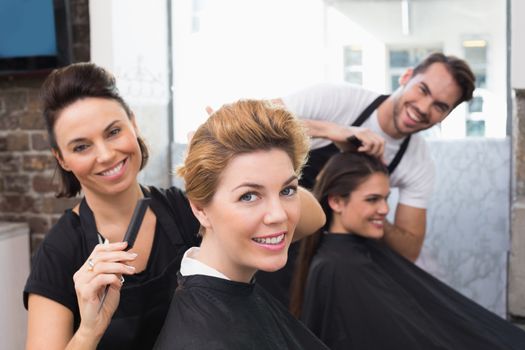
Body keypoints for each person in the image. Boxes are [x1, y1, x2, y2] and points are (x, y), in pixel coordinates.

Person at [23, 63, 325, 350]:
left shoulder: (182, 209)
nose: (105, 154)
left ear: (133, 123)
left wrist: (236, 161)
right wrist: (89, 331)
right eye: (81, 146)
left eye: (114, 131)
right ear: (61, 158)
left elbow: (310, 220)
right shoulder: (59, 254)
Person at [256, 52, 476, 307]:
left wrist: (371, 208)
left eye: (440, 106)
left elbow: (408, 249)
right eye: (423, 90)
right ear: (406, 77)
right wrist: (333, 130)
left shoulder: (417, 163)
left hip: (318, 253)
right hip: (268, 224)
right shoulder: (336, 99)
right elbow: (249, 120)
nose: (424, 108)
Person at [290, 151, 525, 350]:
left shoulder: (355, 255)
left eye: (386, 198)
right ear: (337, 202)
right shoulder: (337, 268)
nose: (384, 209)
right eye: (372, 199)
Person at [154, 100, 329, 349]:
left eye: (287, 190)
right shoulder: (202, 338)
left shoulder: (231, 284)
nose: (278, 215)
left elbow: (316, 218)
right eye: (248, 196)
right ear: (200, 209)